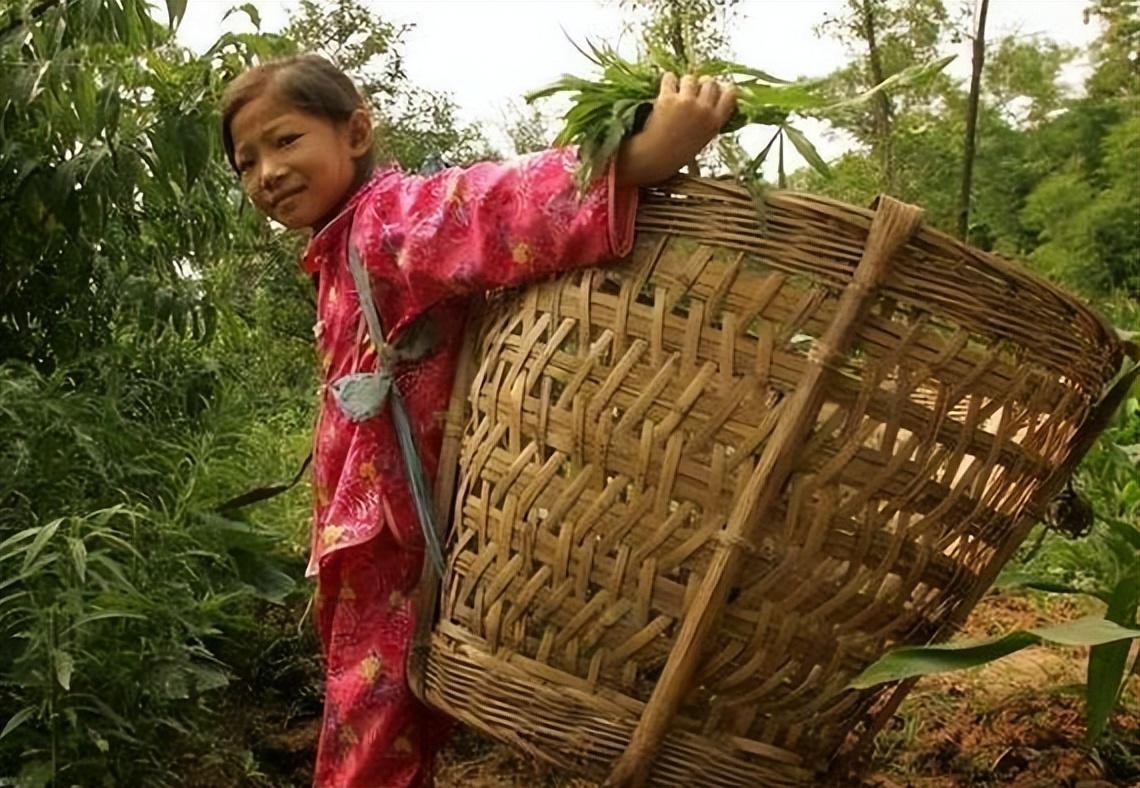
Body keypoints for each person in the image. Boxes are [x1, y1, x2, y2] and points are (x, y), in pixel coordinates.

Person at [221, 53, 736, 788]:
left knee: (368, 731)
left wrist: (631, 160)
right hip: (369, 535)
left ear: (357, 131)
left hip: (394, 535)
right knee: (388, 721)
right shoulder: (341, 250)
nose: (266, 172)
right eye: (246, 162)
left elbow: (485, 208)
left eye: (285, 140)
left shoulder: (386, 222)